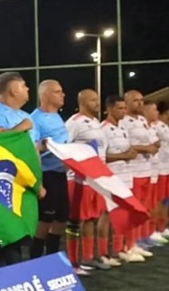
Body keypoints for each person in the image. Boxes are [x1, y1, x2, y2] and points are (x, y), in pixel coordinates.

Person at [0, 71, 42, 268]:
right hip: (4, 185)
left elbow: (34, 150)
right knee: (7, 237)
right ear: (14, 90)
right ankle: (6, 278)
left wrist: (38, 181)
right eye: (24, 86)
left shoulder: (25, 115)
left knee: (19, 236)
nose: (28, 89)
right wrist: (22, 127)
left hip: (26, 185)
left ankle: (2, 276)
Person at [29, 80, 78, 272]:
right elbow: (33, 150)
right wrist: (44, 147)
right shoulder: (36, 119)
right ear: (46, 95)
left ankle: (52, 262)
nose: (63, 95)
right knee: (44, 221)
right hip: (47, 175)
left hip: (61, 175)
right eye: (58, 92)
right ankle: (35, 263)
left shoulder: (58, 117)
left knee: (61, 219)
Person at [64, 89, 114, 271]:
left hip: (96, 180)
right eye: (93, 100)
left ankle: (88, 257)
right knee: (75, 221)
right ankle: (72, 261)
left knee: (92, 219)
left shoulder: (95, 123)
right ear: (82, 102)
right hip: (79, 181)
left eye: (97, 99)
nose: (97, 103)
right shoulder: (74, 123)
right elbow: (64, 149)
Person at [100, 96, 142, 262]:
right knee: (106, 216)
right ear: (110, 109)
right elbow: (101, 156)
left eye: (125, 108)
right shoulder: (103, 129)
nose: (124, 111)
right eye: (120, 108)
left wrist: (130, 154)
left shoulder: (123, 128)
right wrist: (123, 156)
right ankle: (103, 253)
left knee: (123, 215)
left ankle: (120, 249)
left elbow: (127, 151)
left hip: (126, 177)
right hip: (111, 178)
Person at [120, 90, 159, 258]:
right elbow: (125, 147)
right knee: (132, 211)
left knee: (144, 208)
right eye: (135, 101)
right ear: (127, 103)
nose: (140, 104)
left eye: (141, 100)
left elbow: (153, 141)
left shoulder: (142, 120)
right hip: (132, 172)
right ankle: (126, 245)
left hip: (147, 170)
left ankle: (137, 240)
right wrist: (146, 148)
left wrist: (153, 146)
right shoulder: (123, 122)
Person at [143, 100, 169, 242]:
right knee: (154, 201)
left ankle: (161, 227)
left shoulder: (162, 126)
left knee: (165, 200)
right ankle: (151, 230)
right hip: (156, 169)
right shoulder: (154, 127)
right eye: (154, 110)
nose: (156, 113)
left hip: (166, 168)